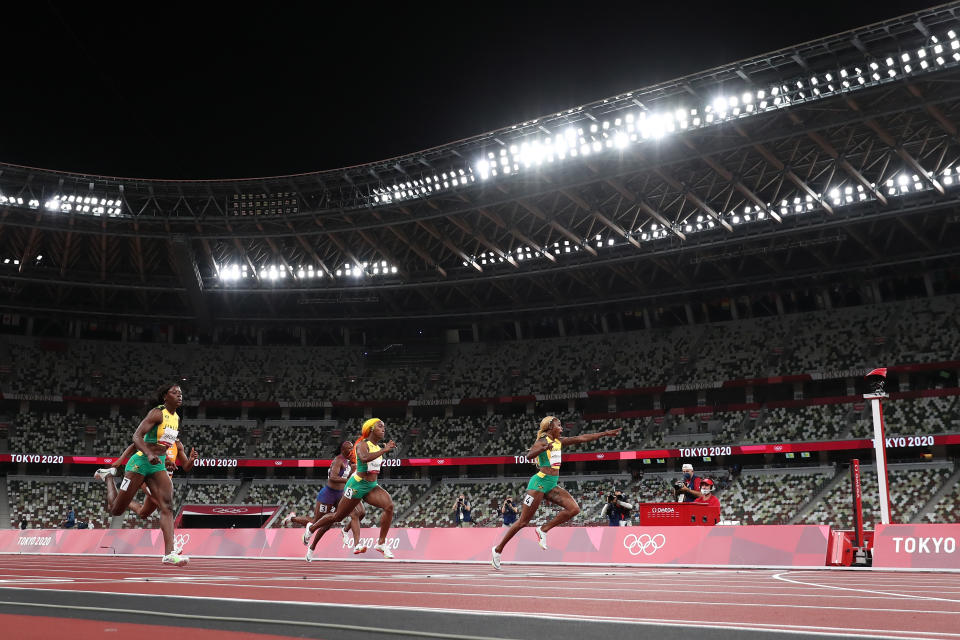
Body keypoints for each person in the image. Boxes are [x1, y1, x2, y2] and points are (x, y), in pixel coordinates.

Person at [491, 416, 620, 570]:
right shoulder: (543, 440)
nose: (562, 428)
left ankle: (543, 529)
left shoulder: (559, 441)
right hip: (539, 483)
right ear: (550, 427)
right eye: (559, 425)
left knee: (574, 509)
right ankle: (497, 550)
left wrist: (604, 434)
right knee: (523, 522)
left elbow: (581, 438)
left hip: (551, 484)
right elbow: (529, 456)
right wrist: (543, 448)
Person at [94, 383, 189, 566]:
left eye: (181, 393)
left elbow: (164, 443)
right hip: (140, 463)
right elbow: (136, 437)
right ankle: (108, 478)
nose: (179, 395)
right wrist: (149, 454)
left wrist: (165, 458)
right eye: (175, 392)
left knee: (167, 505)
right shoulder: (157, 413)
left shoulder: (176, 418)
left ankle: (169, 554)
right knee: (116, 510)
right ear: (164, 397)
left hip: (158, 464)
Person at [303, 418, 397, 560]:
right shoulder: (361, 445)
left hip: (371, 486)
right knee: (337, 516)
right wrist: (385, 449)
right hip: (356, 485)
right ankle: (311, 528)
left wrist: (385, 447)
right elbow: (364, 458)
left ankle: (381, 543)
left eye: (384, 427)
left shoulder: (378, 446)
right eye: (380, 426)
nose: (383, 429)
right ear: (371, 429)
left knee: (389, 505)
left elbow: (378, 451)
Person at [97, 437, 197, 524]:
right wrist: (121, 459)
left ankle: (118, 494)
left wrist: (191, 460)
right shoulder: (157, 437)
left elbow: (186, 467)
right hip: (146, 475)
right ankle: (110, 480)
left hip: (161, 483)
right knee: (163, 504)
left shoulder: (178, 445)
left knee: (143, 513)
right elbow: (134, 444)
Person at [291, 440, 366, 555]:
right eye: (349, 449)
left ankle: (313, 547)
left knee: (354, 514)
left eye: (352, 448)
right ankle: (293, 519)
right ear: (343, 450)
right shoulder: (338, 460)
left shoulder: (348, 461)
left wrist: (352, 471)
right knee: (316, 521)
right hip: (328, 495)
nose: (352, 451)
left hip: (341, 494)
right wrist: (349, 479)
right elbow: (333, 477)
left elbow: (348, 477)